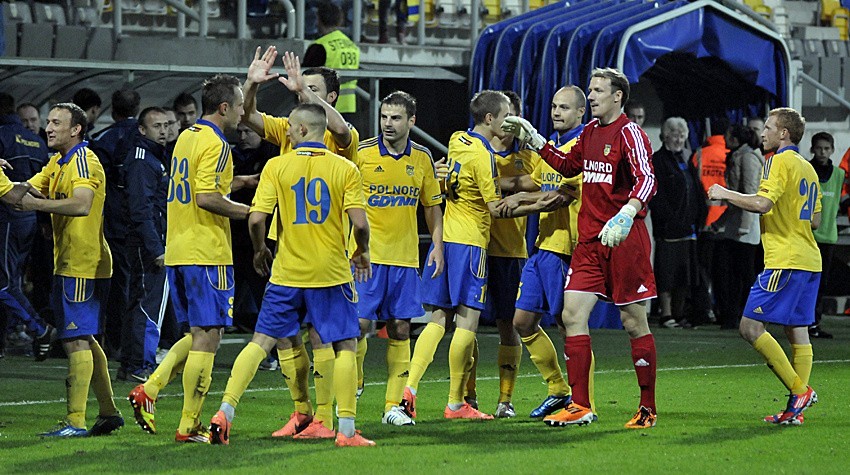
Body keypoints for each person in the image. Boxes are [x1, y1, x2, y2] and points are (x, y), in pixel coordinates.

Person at [208, 103, 375, 447]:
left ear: (301, 130)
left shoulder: (276, 166)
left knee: (260, 343)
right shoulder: (344, 168)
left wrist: (259, 250)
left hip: (286, 273)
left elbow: (256, 219)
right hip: (330, 273)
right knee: (344, 345)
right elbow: (360, 223)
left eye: (289, 128)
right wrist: (363, 250)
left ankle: (225, 412)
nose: (284, 132)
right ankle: (345, 431)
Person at [502, 67, 659, 429]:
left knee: (633, 321)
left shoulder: (629, 133)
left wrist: (627, 213)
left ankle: (647, 407)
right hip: (589, 241)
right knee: (572, 316)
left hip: (623, 238)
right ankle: (581, 405)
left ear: (617, 96)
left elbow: (647, 179)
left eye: (598, 91)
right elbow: (566, 165)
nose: (591, 96)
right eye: (590, 90)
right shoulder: (588, 132)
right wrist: (537, 141)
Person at [241, 46, 360, 436]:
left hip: (325, 251)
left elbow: (340, 129)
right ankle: (303, 411)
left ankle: (326, 416)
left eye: (310, 89)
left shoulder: (342, 137)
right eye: (298, 87)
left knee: (321, 334)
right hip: (286, 248)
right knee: (286, 335)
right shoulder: (289, 129)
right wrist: (252, 86)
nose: (298, 92)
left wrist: (304, 96)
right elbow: (248, 117)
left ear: (329, 100)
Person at [135, 74, 249, 444]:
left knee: (197, 333)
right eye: (241, 104)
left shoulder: (187, 136)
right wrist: (249, 212)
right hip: (207, 249)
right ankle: (189, 424)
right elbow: (206, 197)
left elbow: (198, 185)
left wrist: (239, 183)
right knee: (210, 335)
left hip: (181, 247)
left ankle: (150, 389)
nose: (244, 111)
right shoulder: (217, 144)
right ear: (224, 108)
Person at [399, 90, 510, 422]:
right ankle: (455, 403)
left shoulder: (458, 139)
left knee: (437, 319)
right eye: (505, 116)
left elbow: (447, 176)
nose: (509, 124)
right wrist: (536, 201)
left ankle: (410, 390)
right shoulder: (485, 157)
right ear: (490, 119)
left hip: (445, 239)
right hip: (472, 243)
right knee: (467, 321)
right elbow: (494, 207)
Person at [707, 107, 820, 425]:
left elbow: (762, 204)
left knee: (750, 327)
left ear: (784, 133)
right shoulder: (807, 168)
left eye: (769, 128)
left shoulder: (779, 161)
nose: (764, 133)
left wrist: (725, 193)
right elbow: (816, 219)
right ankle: (793, 412)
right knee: (797, 331)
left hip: (785, 260)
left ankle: (800, 391)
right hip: (809, 259)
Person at [20, 102, 123, 437]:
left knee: (75, 339)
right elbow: (25, 192)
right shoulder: (58, 162)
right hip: (71, 260)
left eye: (56, 122)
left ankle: (76, 422)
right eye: (47, 122)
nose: (48, 128)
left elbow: (81, 204)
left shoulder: (84, 160)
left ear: (76, 129)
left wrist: (37, 204)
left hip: (84, 262)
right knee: (86, 338)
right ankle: (108, 413)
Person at [350, 91, 443, 426]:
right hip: (366, 258)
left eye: (396, 118)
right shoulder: (360, 154)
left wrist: (437, 244)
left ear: (411, 121)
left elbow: (431, 206)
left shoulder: (421, 158)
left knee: (401, 327)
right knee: (359, 325)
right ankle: (355, 378)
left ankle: (394, 406)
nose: (388, 124)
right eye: (384, 117)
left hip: (404, 260)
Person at [499, 85, 584, 420]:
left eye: (564, 107)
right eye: (553, 106)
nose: (557, 112)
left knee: (569, 325)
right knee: (523, 321)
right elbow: (532, 183)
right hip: (542, 247)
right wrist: (487, 183)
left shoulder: (580, 149)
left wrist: (515, 209)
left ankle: (580, 400)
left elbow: (558, 197)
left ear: (580, 113)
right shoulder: (552, 146)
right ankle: (558, 389)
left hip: (566, 247)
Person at [470, 90, 535, 418]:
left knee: (508, 325)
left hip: (510, 251)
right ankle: (467, 397)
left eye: (516, 114)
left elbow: (537, 183)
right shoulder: (474, 149)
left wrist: (502, 183)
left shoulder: (526, 154)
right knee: (465, 323)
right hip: (474, 246)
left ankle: (505, 400)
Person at [0, 93, 55, 360]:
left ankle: (37, 327)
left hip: (8, 217)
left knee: (6, 284)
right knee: (14, 280)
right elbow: (47, 183)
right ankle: (14, 330)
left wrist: (22, 187)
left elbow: (11, 195)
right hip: (30, 219)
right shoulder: (37, 142)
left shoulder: (2, 136)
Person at [90, 88, 142, 367]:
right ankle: (141, 344)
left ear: (112, 109)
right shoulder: (146, 137)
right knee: (143, 284)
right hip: (144, 221)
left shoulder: (104, 140)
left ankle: (115, 343)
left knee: (118, 284)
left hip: (115, 223)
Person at [121, 107, 170, 382]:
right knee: (149, 303)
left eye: (166, 125)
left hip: (144, 240)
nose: (163, 131)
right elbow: (142, 209)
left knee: (138, 300)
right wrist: (156, 248)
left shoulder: (152, 157)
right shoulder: (143, 160)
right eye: (156, 126)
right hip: (147, 242)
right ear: (142, 130)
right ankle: (141, 364)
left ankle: (130, 364)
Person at [649, 117, 706, 329]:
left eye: (682, 135)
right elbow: (658, 196)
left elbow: (695, 189)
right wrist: (670, 219)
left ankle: (680, 313)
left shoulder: (686, 159)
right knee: (667, 273)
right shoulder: (658, 160)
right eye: (675, 134)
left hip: (689, 228)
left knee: (685, 274)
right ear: (665, 136)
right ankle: (666, 314)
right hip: (669, 229)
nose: (679, 138)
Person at [712, 125, 764, 330]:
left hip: (745, 227)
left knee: (742, 273)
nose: (724, 139)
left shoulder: (748, 158)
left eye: (727, 136)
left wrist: (742, 224)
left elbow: (749, 192)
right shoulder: (740, 156)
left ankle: (747, 315)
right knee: (735, 273)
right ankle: (733, 315)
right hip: (738, 224)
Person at [807, 132, 842, 339]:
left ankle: (813, 322)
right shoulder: (806, 171)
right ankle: (801, 322)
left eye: (826, 148)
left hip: (828, 236)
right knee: (803, 282)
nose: (822, 152)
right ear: (812, 149)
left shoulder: (839, 174)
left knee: (821, 283)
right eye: (819, 148)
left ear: (832, 150)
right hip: (807, 235)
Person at [302, 2, 360, 115]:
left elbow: (305, 78)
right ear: (340, 20)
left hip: (324, 107)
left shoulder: (320, 46)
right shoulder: (352, 45)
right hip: (349, 106)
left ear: (318, 19)